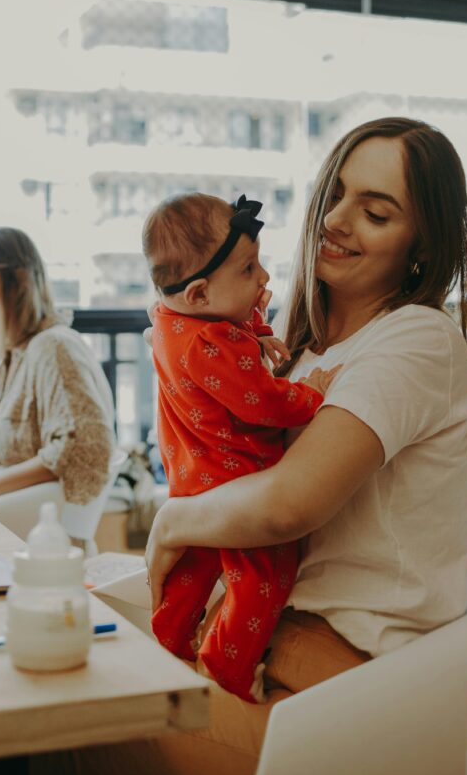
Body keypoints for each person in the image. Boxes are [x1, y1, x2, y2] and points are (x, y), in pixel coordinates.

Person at [31, 116, 467, 775]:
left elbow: (289, 502)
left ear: (420, 245)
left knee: (11, 736)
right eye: (337, 194)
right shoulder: (303, 352)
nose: (337, 221)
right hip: (267, 655)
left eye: (375, 212)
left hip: (329, 697)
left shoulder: (416, 340)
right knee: (25, 689)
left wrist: (170, 523)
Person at [142, 191, 338, 702]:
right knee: (262, 574)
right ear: (201, 293)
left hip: (192, 471)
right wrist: (313, 394)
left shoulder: (170, 321)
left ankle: (168, 640)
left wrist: (258, 330)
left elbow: (231, 333)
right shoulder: (212, 343)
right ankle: (226, 665)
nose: (265, 278)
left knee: (194, 564)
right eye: (250, 269)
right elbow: (263, 403)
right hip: (236, 479)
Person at [0, 226, 116, 538]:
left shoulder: (53, 347)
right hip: (1, 520)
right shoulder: (15, 356)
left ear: (17, 282)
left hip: (35, 541)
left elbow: (85, 449)